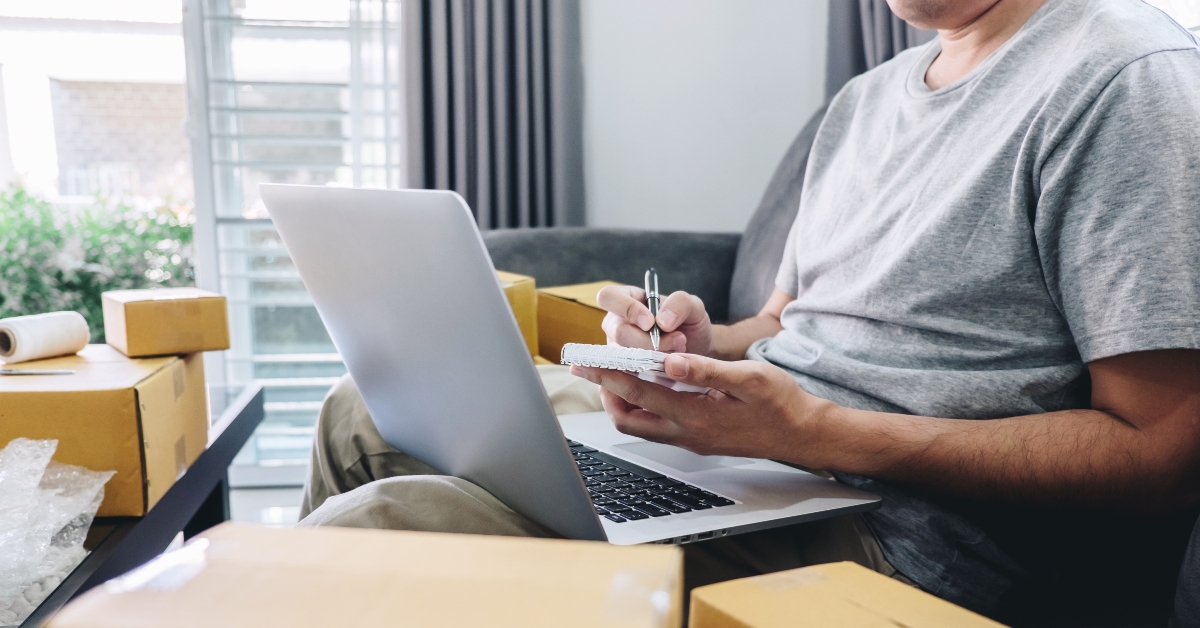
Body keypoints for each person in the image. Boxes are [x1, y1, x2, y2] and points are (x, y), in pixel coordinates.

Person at [297, 0, 1200, 623]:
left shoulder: (1122, 79)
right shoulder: (868, 99)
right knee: (360, 412)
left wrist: (817, 434)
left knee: (382, 527)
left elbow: (1160, 456)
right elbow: (782, 324)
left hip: (906, 547)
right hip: (764, 465)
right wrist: (697, 344)